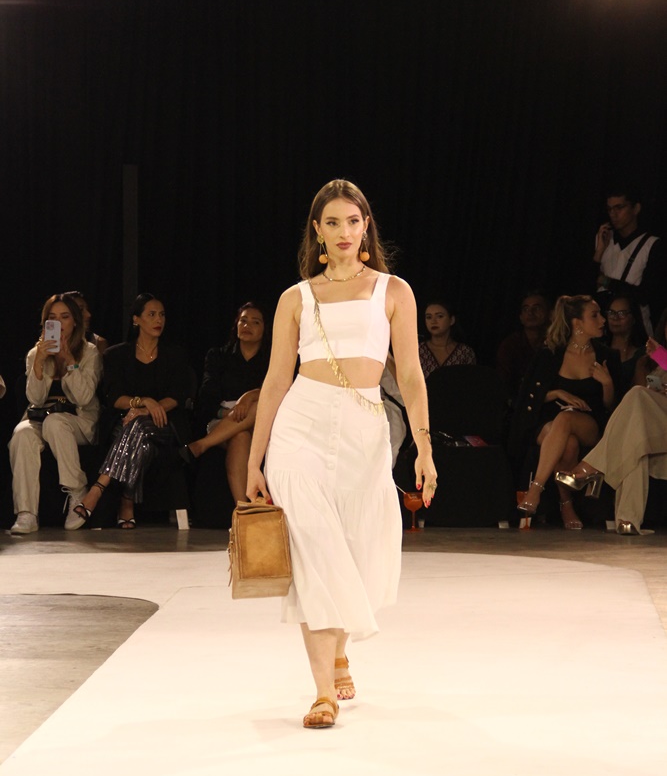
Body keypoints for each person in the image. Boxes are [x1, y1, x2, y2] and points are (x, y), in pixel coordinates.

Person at [246, 179, 437, 729]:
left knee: (354, 549)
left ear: (366, 227)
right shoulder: (296, 298)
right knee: (314, 550)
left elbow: (411, 376)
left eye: (353, 221)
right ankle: (322, 693)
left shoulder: (393, 291)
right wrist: (256, 459)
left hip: (363, 429)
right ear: (318, 231)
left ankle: (339, 650)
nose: (344, 232)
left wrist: (424, 449)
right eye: (332, 222)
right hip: (300, 427)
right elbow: (276, 380)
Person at [69, 293, 192, 530]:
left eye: (162, 315)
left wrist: (148, 409)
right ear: (136, 319)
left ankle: (98, 489)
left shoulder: (174, 354)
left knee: (137, 424)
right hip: (126, 422)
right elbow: (114, 398)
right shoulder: (116, 355)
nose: (158, 320)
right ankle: (127, 498)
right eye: (151, 314)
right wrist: (143, 402)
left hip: (165, 424)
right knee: (141, 443)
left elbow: (178, 396)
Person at [556, 307, 667, 535]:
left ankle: (591, 466)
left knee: (637, 405)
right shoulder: (652, 363)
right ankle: (627, 521)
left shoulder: (661, 358)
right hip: (657, 432)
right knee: (634, 436)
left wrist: (663, 359)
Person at [512, 295, 619, 530]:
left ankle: (535, 490)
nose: (603, 320)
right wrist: (556, 393)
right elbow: (526, 396)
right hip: (549, 422)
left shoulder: (606, 356)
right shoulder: (550, 353)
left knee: (566, 420)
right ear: (577, 323)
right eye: (595, 315)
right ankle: (565, 504)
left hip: (588, 422)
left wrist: (607, 383)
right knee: (567, 442)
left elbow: (612, 407)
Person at [8, 293, 102, 534]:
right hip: (41, 417)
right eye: (53, 318)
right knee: (22, 433)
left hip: (78, 421)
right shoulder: (35, 353)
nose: (59, 323)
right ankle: (26, 513)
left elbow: (83, 398)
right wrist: (39, 363)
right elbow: (35, 399)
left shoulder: (90, 352)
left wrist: (69, 360)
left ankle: (77, 492)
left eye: (65, 317)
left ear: (75, 321)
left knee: (56, 422)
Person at [181, 301, 271, 502]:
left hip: (262, 421)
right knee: (240, 436)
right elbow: (206, 396)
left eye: (255, 322)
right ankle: (244, 508)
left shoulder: (271, 359)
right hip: (223, 421)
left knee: (258, 406)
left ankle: (200, 445)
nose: (247, 326)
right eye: (243, 321)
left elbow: (278, 388)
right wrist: (227, 413)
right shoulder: (218, 356)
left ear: (265, 329)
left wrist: (249, 396)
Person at [593, 183, 664, 334]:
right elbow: (585, 285)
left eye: (619, 208)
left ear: (636, 209)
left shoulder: (652, 245)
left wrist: (606, 281)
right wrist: (598, 254)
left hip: (637, 331)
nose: (613, 214)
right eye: (610, 209)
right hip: (602, 327)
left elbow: (647, 294)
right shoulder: (603, 239)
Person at [496, 290, 551, 401]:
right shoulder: (510, 345)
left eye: (536, 308)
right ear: (521, 317)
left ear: (549, 314)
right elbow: (503, 383)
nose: (530, 313)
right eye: (526, 309)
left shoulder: (556, 344)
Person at [602, 294, 646, 397]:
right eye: (611, 313)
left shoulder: (642, 354)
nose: (615, 318)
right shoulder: (599, 349)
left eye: (622, 313)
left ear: (634, 318)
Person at [418, 299, 476, 379]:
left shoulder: (464, 352)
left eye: (440, 316)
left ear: (451, 320)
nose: (433, 321)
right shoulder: (418, 350)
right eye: (429, 317)